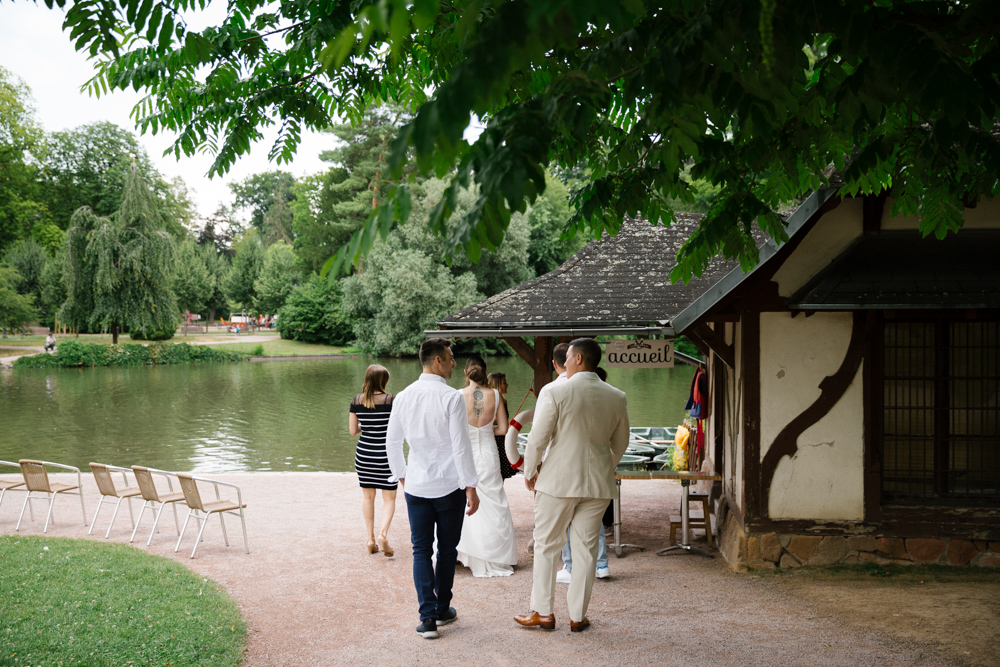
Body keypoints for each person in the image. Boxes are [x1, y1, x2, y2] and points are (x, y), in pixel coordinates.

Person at [515, 338, 629, 633]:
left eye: (566, 357)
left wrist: (530, 471)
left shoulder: (555, 391)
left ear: (578, 358)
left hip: (558, 481)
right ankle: (577, 616)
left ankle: (542, 612)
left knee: (547, 545)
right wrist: (604, 465)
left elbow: (539, 437)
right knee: (586, 551)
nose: (563, 362)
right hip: (597, 484)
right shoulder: (617, 396)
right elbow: (621, 442)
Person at [386, 338, 480, 639]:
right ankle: (442, 610)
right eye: (451, 358)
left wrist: (402, 474)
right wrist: (471, 486)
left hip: (417, 485)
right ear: (437, 360)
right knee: (447, 550)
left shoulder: (403, 396)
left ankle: (427, 619)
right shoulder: (451, 397)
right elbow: (461, 447)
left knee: (421, 550)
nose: (455, 363)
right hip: (449, 485)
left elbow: (391, 442)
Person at [456, 358, 516, 577]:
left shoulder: (457, 395)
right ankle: (495, 555)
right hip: (489, 453)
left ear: (466, 372)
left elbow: (453, 430)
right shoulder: (496, 394)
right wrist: (487, 427)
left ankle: (466, 551)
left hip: (466, 453)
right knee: (493, 501)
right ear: (485, 372)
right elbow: (503, 430)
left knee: (464, 500)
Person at [557, 366, 613, 584]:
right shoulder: (612, 397)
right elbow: (619, 440)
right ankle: (601, 564)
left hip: (570, 468)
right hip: (599, 468)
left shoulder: (563, 393)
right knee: (595, 520)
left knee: (568, 520)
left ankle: (571, 566)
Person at [349, 364, 397, 556]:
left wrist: (366, 425)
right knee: (389, 498)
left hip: (365, 455)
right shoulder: (390, 400)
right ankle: (383, 535)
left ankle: (370, 539)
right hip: (385, 456)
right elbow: (396, 428)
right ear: (383, 381)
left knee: (368, 497)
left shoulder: (356, 400)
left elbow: (353, 431)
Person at [488, 372, 517, 480]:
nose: (507, 385)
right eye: (504, 383)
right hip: (496, 444)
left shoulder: (502, 401)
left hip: (501, 442)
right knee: (498, 477)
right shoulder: (493, 402)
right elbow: (491, 421)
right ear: (497, 385)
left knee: (500, 477)